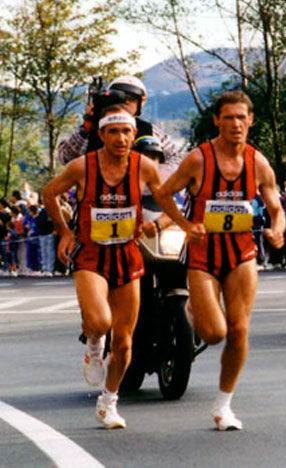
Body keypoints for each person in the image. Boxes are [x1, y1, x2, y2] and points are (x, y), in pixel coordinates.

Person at [154, 90, 286, 431]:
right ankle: (193, 310)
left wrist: (277, 230)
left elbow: (276, 209)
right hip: (203, 255)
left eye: (242, 117)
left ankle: (223, 405)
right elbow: (164, 193)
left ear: (251, 120)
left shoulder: (258, 163)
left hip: (241, 254)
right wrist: (185, 225)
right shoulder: (199, 159)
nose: (236, 124)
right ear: (217, 121)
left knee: (239, 330)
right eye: (228, 118)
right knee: (214, 333)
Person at [42, 104, 163, 429]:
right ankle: (93, 344)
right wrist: (65, 231)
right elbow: (49, 192)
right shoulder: (83, 167)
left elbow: (166, 200)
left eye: (126, 131)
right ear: (102, 135)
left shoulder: (146, 168)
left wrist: (163, 223)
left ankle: (108, 402)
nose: (121, 138)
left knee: (124, 342)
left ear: (134, 133)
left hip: (127, 255)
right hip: (91, 255)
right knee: (99, 321)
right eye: (113, 132)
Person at [57, 75, 182, 167]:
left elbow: (176, 158)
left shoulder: (149, 131)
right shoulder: (92, 128)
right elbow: (66, 159)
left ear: (141, 103)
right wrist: (87, 126)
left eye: (132, 99)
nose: (126, 103)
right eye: (120, 98)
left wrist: (155, 174)